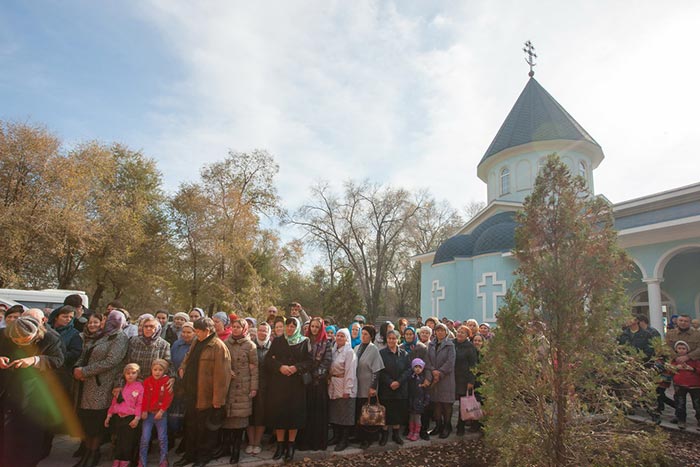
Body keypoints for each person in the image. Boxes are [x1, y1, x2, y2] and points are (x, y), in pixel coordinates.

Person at [0, 316, 66, 467]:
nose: (20, 343)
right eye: (16, 341)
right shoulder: (3, 335)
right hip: (5, 389)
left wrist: (35, 360)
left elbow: (58, 360)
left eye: (25, 340)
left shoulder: (50, 338)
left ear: (35, 333)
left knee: (28, 432)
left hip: (32, 393)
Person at [73, 310, 129, 467]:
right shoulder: (102, 335)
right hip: (86, 384)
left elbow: (112, 361)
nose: (103, 321)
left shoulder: (119, 337)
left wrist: (85, 371)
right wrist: (77, 368)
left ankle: (93, 454)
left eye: (107, 319)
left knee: (96, 422)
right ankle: (87, 452)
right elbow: (86, 353)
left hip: (101, 385)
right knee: (87, 420)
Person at [175, 317, 231, 467]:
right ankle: (189, 455)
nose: (196, 333)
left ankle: (202, 458)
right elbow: (187, 359)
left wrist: (218, 400)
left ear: (207, 330)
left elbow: (223, 376)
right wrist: (183, 368)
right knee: (191, 427)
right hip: (191, 393)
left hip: (206, 396)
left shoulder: (218, 346)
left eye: (198, 331)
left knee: (204, 430)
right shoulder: (196, 342)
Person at [265, 317, 312, 462]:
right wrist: (280, 367)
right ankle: (280, 446)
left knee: (294, 415)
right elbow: (268, 359)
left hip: (296, 384)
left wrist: (296, 367)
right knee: (280, 414)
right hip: (280, 384)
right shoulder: (278, 341)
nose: (290, 328)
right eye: (288, 325)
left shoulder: (304, 342)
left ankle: (291, 446)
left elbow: (309, 361)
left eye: (293, 326)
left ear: (297, 327)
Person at [220, 318, 258, 464]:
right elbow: (221, 362)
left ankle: (236, 450)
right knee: (227, 419)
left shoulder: (250, 345)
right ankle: (226, 447)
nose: (235, 329)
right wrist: (227, 371)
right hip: (228, 386)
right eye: (234, 326)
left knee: (240, 420)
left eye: (238, 327)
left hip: (242, 387)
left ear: (244, 329)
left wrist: (253, 387)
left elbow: (254, 368)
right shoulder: (225, 343)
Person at [299, 317, 332, 451]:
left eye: (317, 327)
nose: (314, 329)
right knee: (306, 412)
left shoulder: (326, 342)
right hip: (305, 381)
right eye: (312, 326)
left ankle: (317, 442)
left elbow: (327, 361)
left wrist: (316, 374)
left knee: (318, 413)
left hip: (319, 382)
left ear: (321, 328)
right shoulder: (304, 341)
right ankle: (305, 442)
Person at [105, 363, 143, 467]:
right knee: (119, 439)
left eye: (133, 373)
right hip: (118, 417)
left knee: (128, 440)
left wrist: (137, 418)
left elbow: (140, 404)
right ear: (124, 375)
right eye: (128, 373)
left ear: (137, 374)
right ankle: (118, 458)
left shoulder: (139, 387)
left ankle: (126, 459)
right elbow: (114, 402)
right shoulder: (121, 387)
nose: (130, 375)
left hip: (130, 417)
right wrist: (109, 415)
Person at [378, 329, 411, 446]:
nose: (391, 341)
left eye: (394, 338)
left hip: (400, 388)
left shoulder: (404, 354)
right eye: (389, 338)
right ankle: (384, 434)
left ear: (398, 339)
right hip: (386, 388)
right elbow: (380, 370)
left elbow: (408, 370)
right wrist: (390, 382)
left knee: (398, 412)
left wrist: (399, 382)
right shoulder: (381, 353)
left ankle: (396, 434)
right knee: (386, 412)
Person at [354, 324, 385, 449]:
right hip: (357, 385)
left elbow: (377, 370)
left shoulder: (374, 349)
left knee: (368, 413)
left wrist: (373, 387)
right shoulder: (357, 347)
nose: (363, 336)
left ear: (371, 336)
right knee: (359, 412)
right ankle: (359, 436)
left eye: (366, 334)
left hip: (368, 386)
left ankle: (368, 438)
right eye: (362, 334)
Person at [139, 359, 173, 467]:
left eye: (160, 370)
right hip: (148, 414)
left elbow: (168, 398)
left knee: (162, 438)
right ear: (151, 370)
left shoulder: (166, 381)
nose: (157, 372)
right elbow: (144, 397)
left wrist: (162, 410)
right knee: (145, 438)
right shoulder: (147, 381)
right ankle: (142, 460)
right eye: (155, 369)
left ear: (164, 371)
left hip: (160, 414)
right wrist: (144, 410)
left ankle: (163, 459)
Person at [327, 328, 357, 452]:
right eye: (338, 335)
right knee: (335, 413)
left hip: (344, 384)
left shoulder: (349, 352)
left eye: (342, 336)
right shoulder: (333, 350)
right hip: (334, 385)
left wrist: (347, 389)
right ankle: (336, 436)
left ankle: (344, 440)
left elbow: (350, 372)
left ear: (347, 338)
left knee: (345, 414)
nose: (339, 338)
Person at [169, 322, 196, 450]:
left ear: (194, 333)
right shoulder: (176, 344)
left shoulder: (197, 345)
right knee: (174, 411)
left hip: (191, 383)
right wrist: (174, 376)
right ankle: (172, 437)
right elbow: (171, 362)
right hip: (177, 381)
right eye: (184, 332)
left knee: (188, 412)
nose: (185, 334)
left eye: (189, 332)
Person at [427, 323, 456, 438]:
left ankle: (447, 426)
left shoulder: (450, 345)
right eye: (438, 330)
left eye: (442, 330)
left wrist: (440, 372)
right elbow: (427, 359)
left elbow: (450, 362)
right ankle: (438, 426)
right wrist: (433, 371)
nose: (440, 332)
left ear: (446, 332)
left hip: (446, 378)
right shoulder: (431, 344)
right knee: (436, 403)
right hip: (434, 379)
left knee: (446, 404)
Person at [247, 322, 272, 455]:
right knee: (250, 415)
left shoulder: (272, 348)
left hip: (266, 387)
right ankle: (250, 442)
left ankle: (257, 442)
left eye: (265, 330)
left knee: (261, 415)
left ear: (269, 333)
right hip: (251, 385)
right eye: (260, 330)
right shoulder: (251, 346)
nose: (262, 333)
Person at [49, 305, 83, 394]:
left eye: (71, 317)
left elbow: (75, 353)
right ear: (56, 317)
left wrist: (58, 357)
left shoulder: (74, 334)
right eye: (65, 316)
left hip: (61, 373)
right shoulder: (47, 329)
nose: (68, 319)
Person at [669, 341, 700, 429]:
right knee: (680, 404)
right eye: (679, 348)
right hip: (680, 385)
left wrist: (692, 369)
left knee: (697, 404)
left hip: (694, 385)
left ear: (687, 350)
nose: (681, 350)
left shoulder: (694, 360)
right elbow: (669, 370)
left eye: (683, 348)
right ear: (676, 350)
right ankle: (681, 420)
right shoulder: (675, 361)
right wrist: (675, 368)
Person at [453, 325, 477, 435]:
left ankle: (461, 426)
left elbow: (473, 365)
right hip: (452, 377)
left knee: (463, 403)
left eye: (463, 332)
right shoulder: (452, 344)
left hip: (464, 378)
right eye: (458, 331)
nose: (460, 334)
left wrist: (471, 381)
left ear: (467, 335)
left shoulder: (470, 347)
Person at [407, 358, 431, 441]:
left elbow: (426, 392)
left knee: (417, 418)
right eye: (416, 367)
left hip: (419, 402)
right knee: (411, 418)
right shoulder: (411, 378)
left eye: (420, 367)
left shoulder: (423, 379)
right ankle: (411, 431)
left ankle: (416, 432)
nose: (417, 369)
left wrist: (425, 402)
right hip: (411, 401)